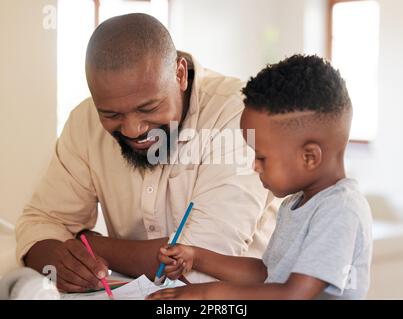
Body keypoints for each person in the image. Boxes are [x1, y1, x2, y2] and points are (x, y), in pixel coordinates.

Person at [15, 13, 273, 293]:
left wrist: (88, 243)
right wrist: (59, 259)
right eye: (111, 114)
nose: (132, 129)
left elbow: (202, 262)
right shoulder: (85, 121)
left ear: (180, 74)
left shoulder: (240, 114)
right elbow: (40, 224)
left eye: (148, 108)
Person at [148, 55, 373, 300]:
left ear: (309, 157)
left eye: (261, 157)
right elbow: (267, 273)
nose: (254, 166)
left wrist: (207, 294)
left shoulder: (340, 210)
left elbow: (294, 295)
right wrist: (197, 257)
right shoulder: (295, 203)